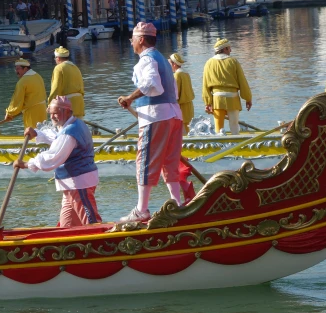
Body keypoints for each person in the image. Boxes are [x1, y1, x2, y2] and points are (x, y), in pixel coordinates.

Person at [116, 22, 184, 222]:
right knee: (169, 162)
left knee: (145, 161)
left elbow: (152, 84)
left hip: (155, 116)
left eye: (132, 39)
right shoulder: (163, 59)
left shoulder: (146, 59)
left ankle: (141, 209)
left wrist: (130, 98)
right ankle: (177, 203)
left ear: (141, 40)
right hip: (174, 115)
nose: (131, 43)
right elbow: (174, 91)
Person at [14, 96, 101, 227]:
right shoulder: (72, 125)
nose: (53, 117)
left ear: (66, 111)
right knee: (67, 225)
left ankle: (100, 240)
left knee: (91, 222)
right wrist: (37, 133)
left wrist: (27, 164)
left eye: (56, 113)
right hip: (71, 185)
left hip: (78, 184)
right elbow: (56, 136)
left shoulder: (70, 132)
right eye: (51, 113)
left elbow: (53, 157)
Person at [202, 38, 252, 135]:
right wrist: (248, 98)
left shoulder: (209, 63)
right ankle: (236, 145)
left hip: (217, 100)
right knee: (234, 127)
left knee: (218, 129)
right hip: (232, 98)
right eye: (229, 48)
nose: (231, 50)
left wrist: (207, 102)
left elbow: (205, 84)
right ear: (224, 49)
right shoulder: (233, 61)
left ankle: (220, 145)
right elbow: (242, 81)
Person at [5, 58, 48, 128]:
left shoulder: (22, 82)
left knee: (32, 132)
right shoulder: (38, 76)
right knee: (42, 131)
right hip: (42, 109)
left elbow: (17, 100)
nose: (16, 71)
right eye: (16, 69)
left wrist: (9, 113)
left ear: (25, 68)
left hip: (32, 112)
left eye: (18, 69)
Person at [48, 46, 85, 119]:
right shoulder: (75, 67)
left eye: (55, 58)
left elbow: (55, 89)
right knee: (78, 128)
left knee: (66, 129)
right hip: (79, 104)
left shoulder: (59, 68)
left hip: (67, 105)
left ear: (58, 58)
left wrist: (50, 104)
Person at [170, 53, 194, 134]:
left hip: (181, 106)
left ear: (174, 64)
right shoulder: (186, 73)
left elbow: (175, 93)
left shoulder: (177, 75)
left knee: (182, 129)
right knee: (188, 127)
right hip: (189, 104)